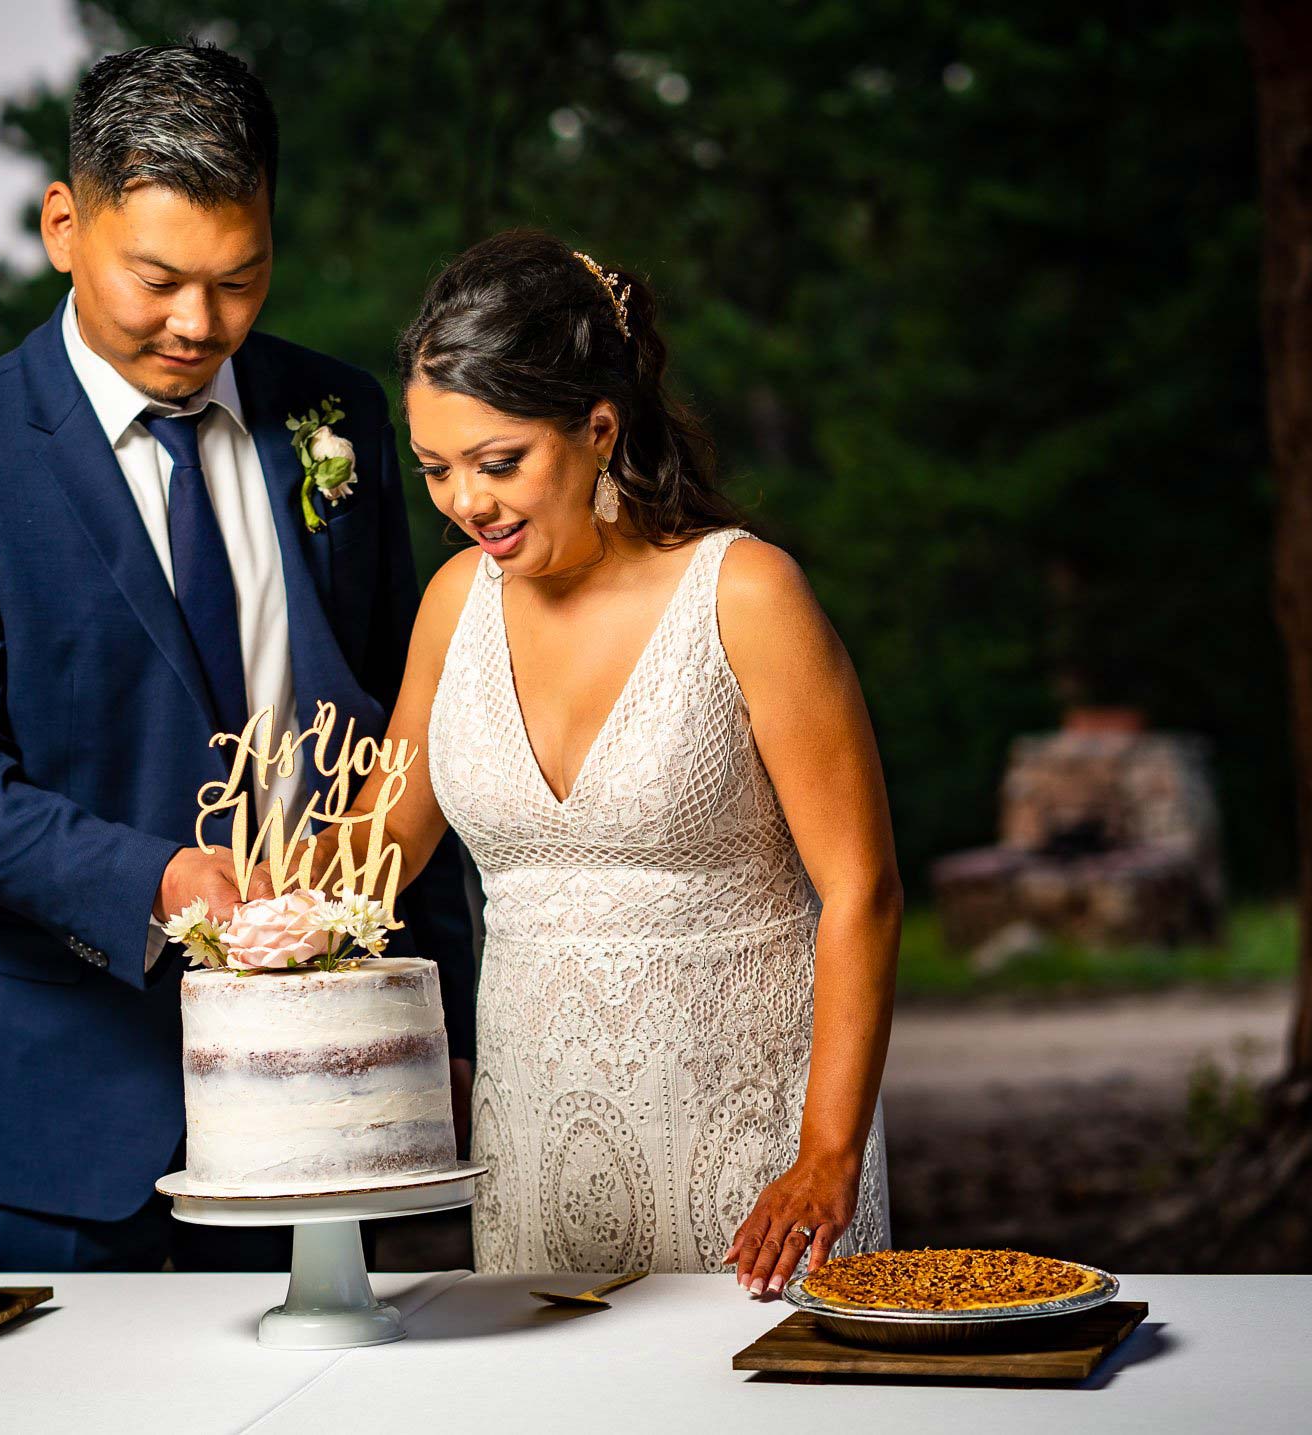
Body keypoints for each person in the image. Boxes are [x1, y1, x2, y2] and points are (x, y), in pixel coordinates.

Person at [0, 43, 476, 1272]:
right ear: (64, 224)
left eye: (240, 280)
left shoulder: (333, 419)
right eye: (159, 279)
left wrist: (438, 1002)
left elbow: (417, 722)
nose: (200, 325)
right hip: (50, 1120)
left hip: (330, 1097)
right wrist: (159, 882)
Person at [314, 230, 897, 1294]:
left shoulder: (745, 595)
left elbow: (861, 889)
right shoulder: (453, 607)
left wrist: (826, 1155)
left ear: (596, 428)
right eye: (436, 468)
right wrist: (250, 901)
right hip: (534, 1149)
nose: (465, 503)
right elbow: (382, 844)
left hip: (750, 1149)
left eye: (499, 463)